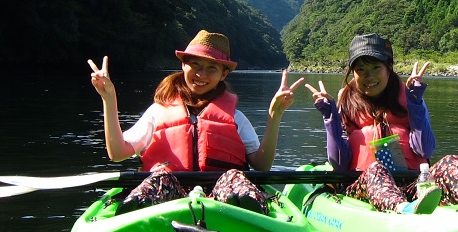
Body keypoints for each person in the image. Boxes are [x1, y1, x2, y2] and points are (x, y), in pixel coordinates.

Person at [87, 29, 305, 213]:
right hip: (167, 200)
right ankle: (136, 213)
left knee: (234, 177)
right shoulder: (158, 112)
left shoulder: (235, 118)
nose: (201, 74)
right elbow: (117, 153)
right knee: (160, 177)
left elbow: (262, 165)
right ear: (183, 65)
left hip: (221, 199)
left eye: (212, 68)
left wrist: (275, 115)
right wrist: (109, 99)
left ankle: (244, 216)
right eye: (195, 64)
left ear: (223, 74)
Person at [305, 33, 458, 214]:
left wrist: (416, 104)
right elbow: (340, 164)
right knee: (375, 169)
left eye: (376, 68)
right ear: (353, 72)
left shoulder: (410, 96)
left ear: (388, 68)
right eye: (361, 69)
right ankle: (404, 209)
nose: (369, 76)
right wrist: (330, 117)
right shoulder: (345, 102)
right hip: (364, 186)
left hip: (414, 185)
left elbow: (424, 150)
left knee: (449, 162)